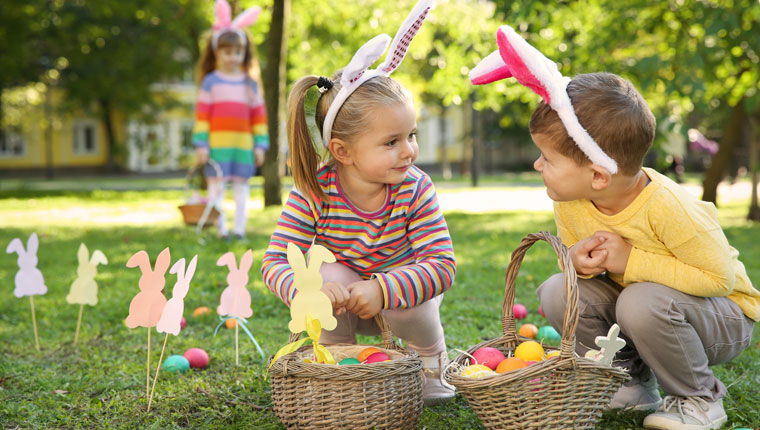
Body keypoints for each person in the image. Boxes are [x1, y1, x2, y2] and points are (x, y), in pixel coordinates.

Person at [470, 25, 759, 430]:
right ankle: (627, 383)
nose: (538, 166)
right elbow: (588, 272)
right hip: (644, 310)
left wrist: (630, 259)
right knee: (558, 289)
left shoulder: (670, 207)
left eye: (547, 159)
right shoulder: (572, 200)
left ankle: (699, 397)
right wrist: (577, 263)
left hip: (721, 319)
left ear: (598, 176)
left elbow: (718, 279)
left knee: (639, 301)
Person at [261, 0, 458, 406]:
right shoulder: (316, 190)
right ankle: (344, 364)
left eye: (411, 135)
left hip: (401, 302)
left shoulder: (414, 188)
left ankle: (430, 362)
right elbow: (276, 262)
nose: (410, 151)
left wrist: (383, 290)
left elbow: (442, 265)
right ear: (343, 151)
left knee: (411, 295)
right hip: (345, 303)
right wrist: (307, 290)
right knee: (323, 270)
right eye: (391, 142)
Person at [192, 0, 268, 241]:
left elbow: (259, 118)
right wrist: (201, 145)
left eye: (237, 51)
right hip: (217, 147)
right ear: (217, 52)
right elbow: (202, 117)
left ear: (243, 52)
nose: (232, 56)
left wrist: (260, 145)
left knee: (241, 189)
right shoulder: (210, 82)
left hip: (242, 147)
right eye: (227, 51)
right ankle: (222, 229)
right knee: (217, 189)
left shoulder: (249, 83)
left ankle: (239, 230)